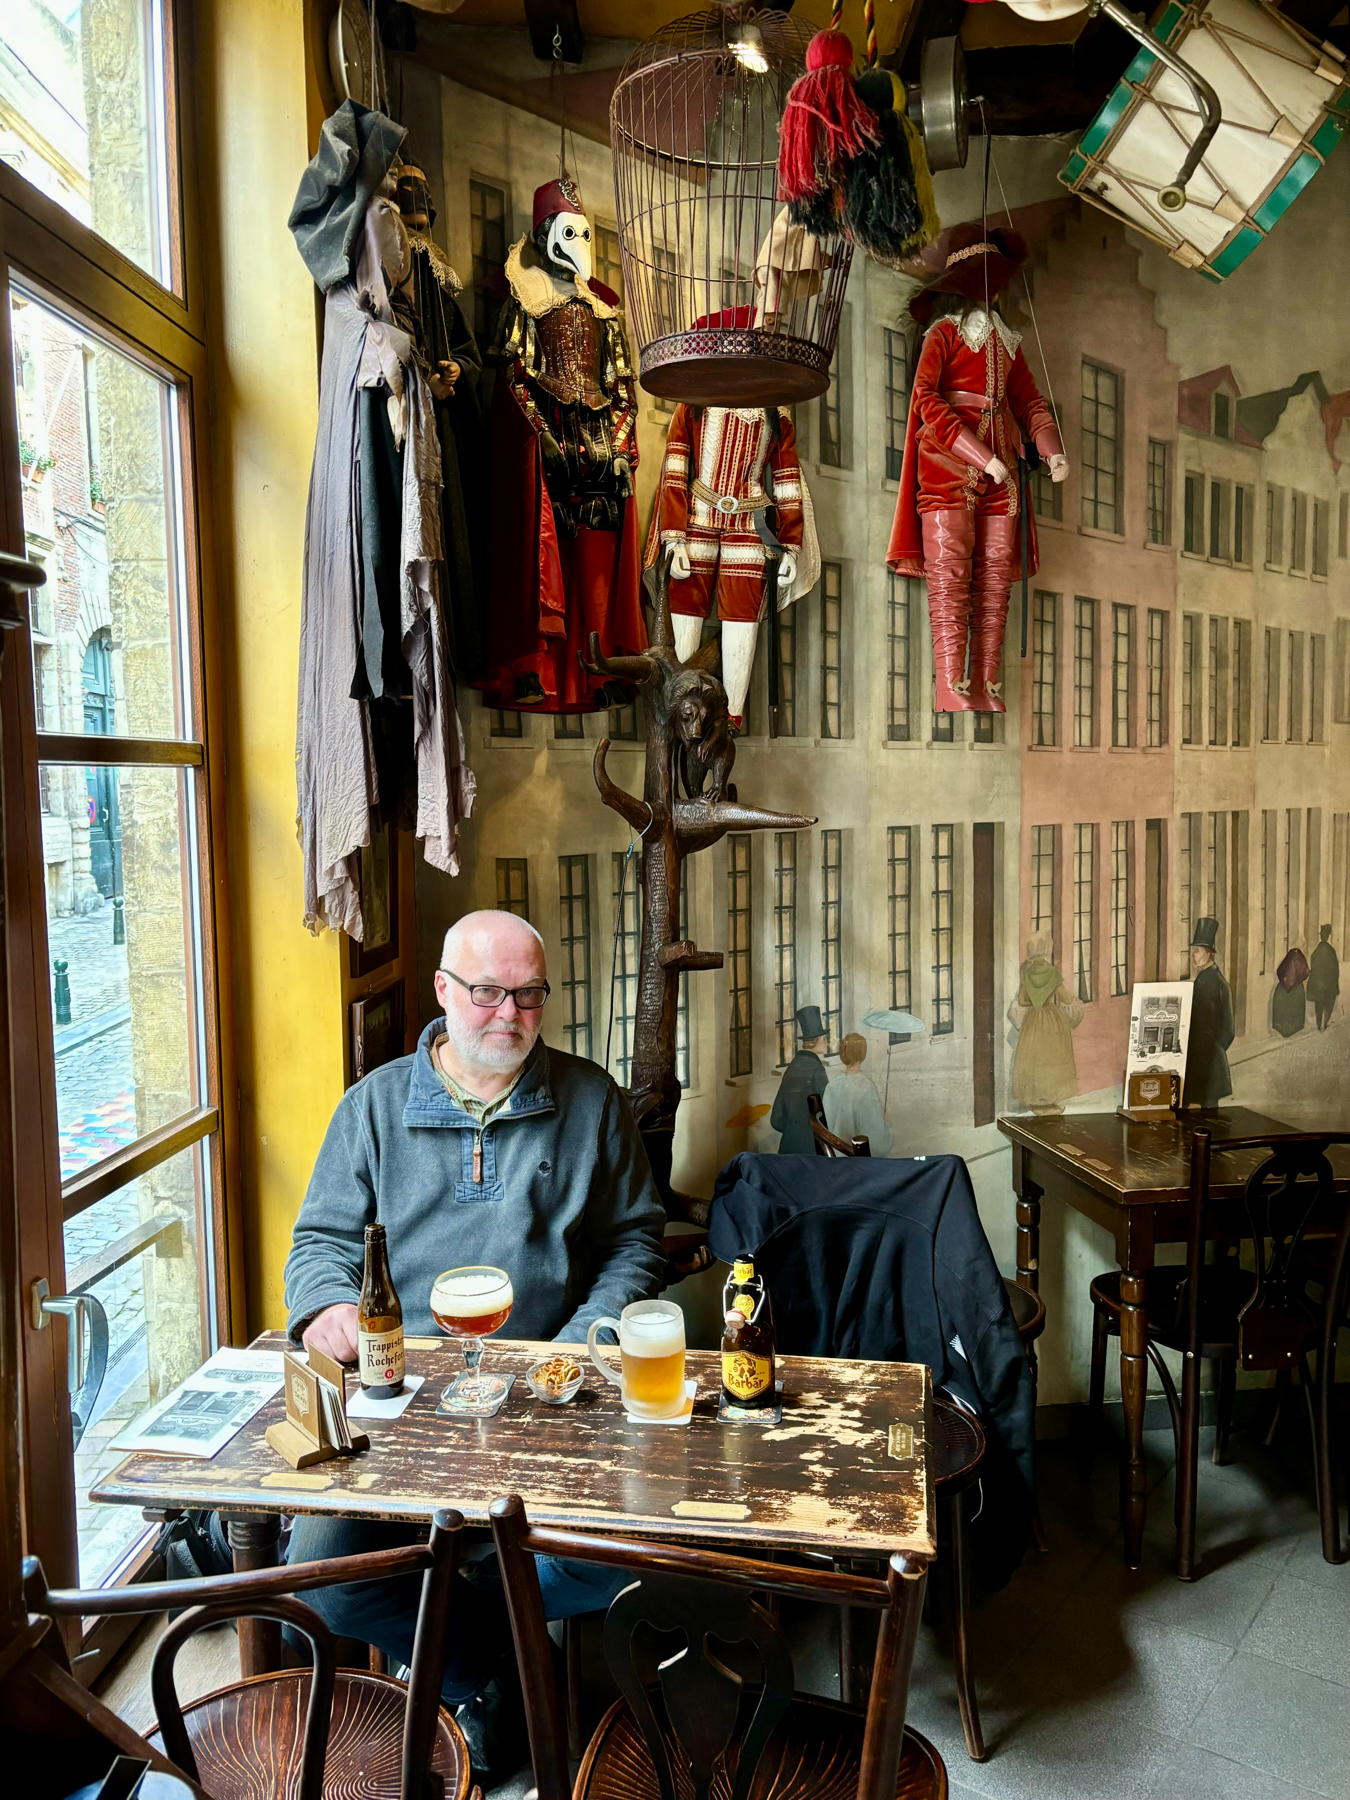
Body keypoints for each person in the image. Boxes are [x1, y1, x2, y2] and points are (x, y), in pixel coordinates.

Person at [283, 909, 666, 1776]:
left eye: (530, 995)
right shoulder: (373, 1107)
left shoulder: (590, 1099)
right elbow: (319, 1245)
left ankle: (457, 1613)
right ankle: (485, 1669)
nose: (510, 1014)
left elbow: (636, 1241)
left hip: (553, 1397)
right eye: (489, 992)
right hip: (404, 1402)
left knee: (635, 1559)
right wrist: (327, 1308)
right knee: (326, 1571)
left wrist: (576, 1345)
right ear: (445, 992)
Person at [1008, 932, 1082, 1114]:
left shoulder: (1027, 973)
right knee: (1053, 1058)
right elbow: (1064, 998)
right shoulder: (1052, 972)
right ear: (1046, 949)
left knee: (1035, 1060)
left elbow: (1023, 1000)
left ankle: (1037, 1102)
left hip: (1033, 1019)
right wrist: (1074, 999)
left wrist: (1035, 1001)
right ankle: (1050, 1102)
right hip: (1051, 1018)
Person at [1183, 917, 1234, 1108]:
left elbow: (1229, 1030)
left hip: (1211, 1062)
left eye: (1196, 951)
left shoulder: (1220, 985)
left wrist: (1213, 1051)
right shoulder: (1201, 980)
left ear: (1209, 954)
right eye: (1193, 951)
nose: (1193, 955)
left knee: (1210, 1110)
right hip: (1196, 1059)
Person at [770, 1005, 829, 1154]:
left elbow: (776, 1119)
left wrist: (794, 1131)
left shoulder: (792, 1067)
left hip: (788, 1147)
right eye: (824, 1039)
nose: (826, 1042)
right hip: (811, 1149)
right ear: (815, 1041)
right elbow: (828, 1112)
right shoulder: (817, 1069)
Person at [823, 1032, 893, 1154]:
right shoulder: (866, 1087)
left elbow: (825, 1128)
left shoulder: (831, 1086)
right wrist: (887, 1129)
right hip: (857, 1159)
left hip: (835, 1156)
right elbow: (875, 1142)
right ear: (863, 1054)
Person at [1308, 924, 1340, 1031]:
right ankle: (1325, 1023)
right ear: (1328, 936)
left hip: (1318, 984)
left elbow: (1313, 967)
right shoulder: (1331, 951)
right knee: (1329, 1004)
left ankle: (1319, 1025)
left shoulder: (1316, 952)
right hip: (1328, 984)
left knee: (1319, 1004)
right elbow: (1335, 969)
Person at [1273, 946, 1309, 1038]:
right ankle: (1294, 1028)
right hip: (1296, 990)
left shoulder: (1281, 987)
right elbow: (1305, 972)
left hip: (1283, 989)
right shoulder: (1298, 988)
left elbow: (1279, 971)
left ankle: (1284, 1028)